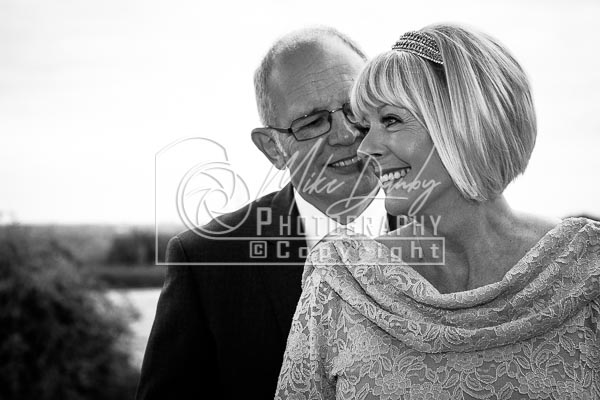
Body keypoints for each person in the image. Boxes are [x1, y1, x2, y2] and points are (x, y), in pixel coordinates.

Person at [275, 24, 600, 399]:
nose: (365, 147)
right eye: (368, 126)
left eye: (391, 121)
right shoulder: (342, 281)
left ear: (464, 125)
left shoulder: (586, 267)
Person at [136, 27, 397, 400]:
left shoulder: (452, 233)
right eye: (311, 122)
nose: (345, 135)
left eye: (355, 109)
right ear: (273, 148)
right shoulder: (205, 262)